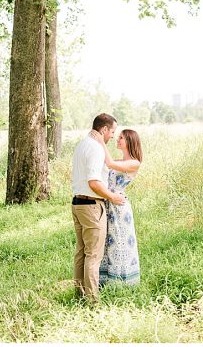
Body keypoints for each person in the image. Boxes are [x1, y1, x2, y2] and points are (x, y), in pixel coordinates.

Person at [70, 112, 125, 303]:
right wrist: (113, 197)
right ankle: (93, 302)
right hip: (92, 206)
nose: (112, 136)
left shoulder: (82, 144)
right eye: (112, 131)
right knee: (93, 256)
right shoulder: (95, 148)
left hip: (77, 203)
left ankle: (79, 295)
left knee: (81, 252)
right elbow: (94, 182)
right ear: (103, 129)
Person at [99, 127, 142, 287]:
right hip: (109, 202)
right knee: (107, 240)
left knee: (120, 240)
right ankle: (106, 279)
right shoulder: (120, 161)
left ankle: (123, 281)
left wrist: (100, 139)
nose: (117, 140)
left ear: (130, 141)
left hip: (119, 206)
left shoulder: (134, 163)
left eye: (121, 138)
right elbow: (106, 163)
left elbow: (108, 163)